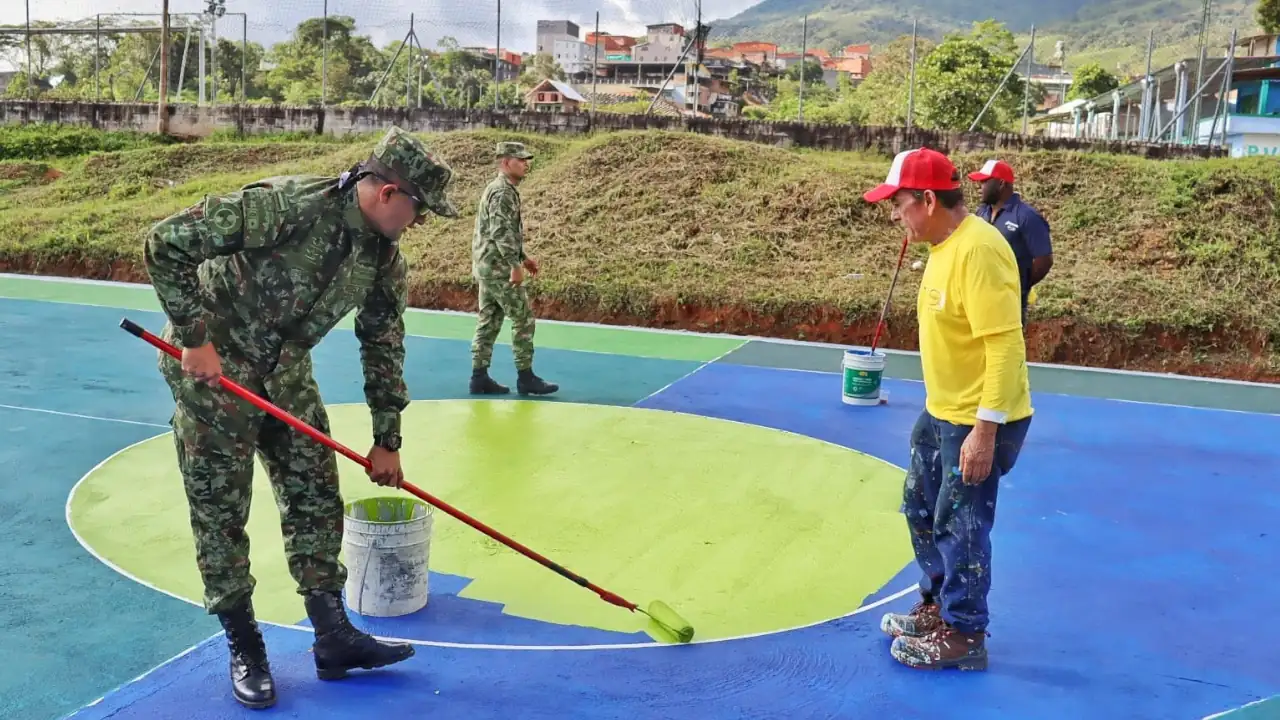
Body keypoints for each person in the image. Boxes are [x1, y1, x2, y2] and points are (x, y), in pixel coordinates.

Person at [144, 126, 459, 708]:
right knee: (221, 510)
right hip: (217, 371)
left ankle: (332, 635)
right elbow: (166, 243)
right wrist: (193, 338)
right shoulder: (286, 207)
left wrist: (387, 437)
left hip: (285, 375)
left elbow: (383, 341)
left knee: (314, 491)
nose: (419, 224)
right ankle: (246, 647)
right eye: (419, 210)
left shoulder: (383, 259)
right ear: (388, 193)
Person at [861, 147, 1034, 671]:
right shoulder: (943, 244)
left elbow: (1005, 346)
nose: (894, 214)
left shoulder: (979, 251)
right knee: (920, 507)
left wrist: (984, 432)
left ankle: (964, 634)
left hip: (978, 418)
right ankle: (938, 605)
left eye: (899, 203)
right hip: (943, 411)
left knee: (961, 525)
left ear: (929, 199)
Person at [469, 141, 558, 396]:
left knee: (489, 320)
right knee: (523, 318)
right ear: (506, 162)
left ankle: (479, 376)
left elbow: (505, 232)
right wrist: (514, 265)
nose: (526, 164)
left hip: (488, 265)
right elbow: (499, 232)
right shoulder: (502, 192)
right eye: (521, 160)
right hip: (498, 268)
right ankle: (525, 376)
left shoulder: (501, 189)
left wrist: (524, 257)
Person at [969, 159, 1053, 324]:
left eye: (985, 182)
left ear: (1001, 184)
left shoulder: (1027, 217)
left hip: (1008, 306)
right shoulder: (981, 213)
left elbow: (1045, 260)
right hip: (977, 300)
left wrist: (1018, 285)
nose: (980, 187)